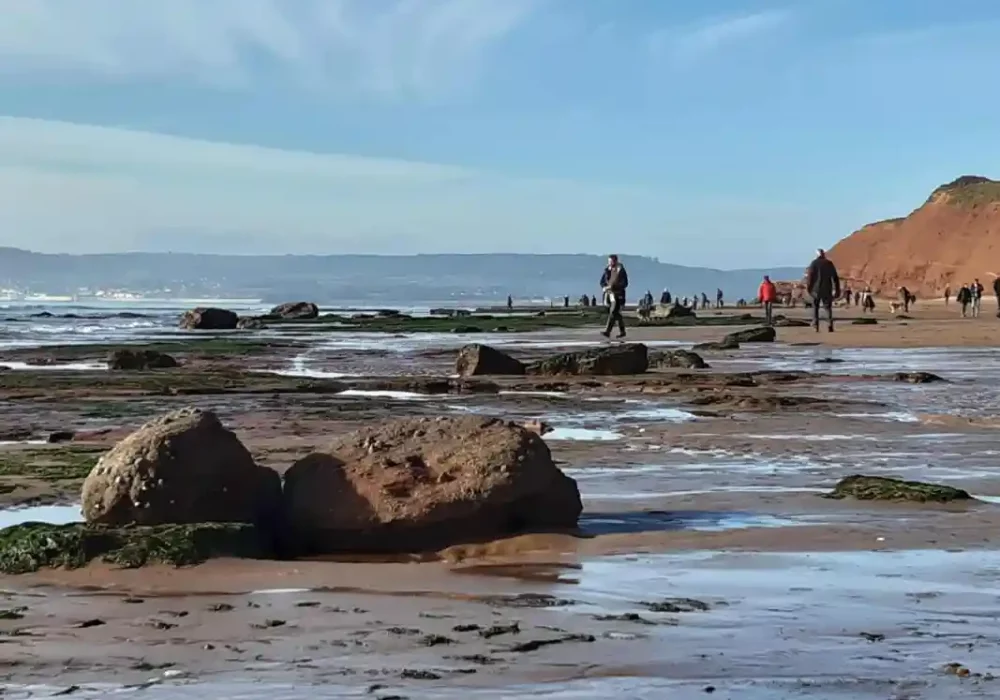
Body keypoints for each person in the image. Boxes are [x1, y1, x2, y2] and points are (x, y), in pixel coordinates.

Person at [805, 248, 841, 332]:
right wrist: (837, 289)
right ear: (823, 254)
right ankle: (830, 324)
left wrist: (809, 288)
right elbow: (835, 277)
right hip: (827, 288)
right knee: (828, 308)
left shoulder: (814, 263)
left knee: (815, 308)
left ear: (817, 255)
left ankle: (816, 325)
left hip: (815, 289)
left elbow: (810, 277)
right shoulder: (829, 263)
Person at [599, 254, 628, 339]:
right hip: (609, 294)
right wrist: (604, 287)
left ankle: (607, 331)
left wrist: (614, 287)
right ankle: (622, 331)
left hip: (617, 294)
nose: (610, 263)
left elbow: (625, 283)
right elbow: (602, 281)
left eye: (611, 261)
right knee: (616, 314)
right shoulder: (607, 270)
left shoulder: (621, 271)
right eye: (609, 261)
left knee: (613, 312)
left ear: (615, 261)